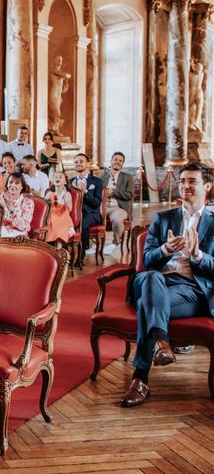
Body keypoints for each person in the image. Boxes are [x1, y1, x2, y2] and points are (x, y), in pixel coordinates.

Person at [121, 162, 214, 408]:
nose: (185, 186)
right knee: (151, 278)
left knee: (146, 306)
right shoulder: (163, 219)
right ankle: (161, 343)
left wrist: (197, 256)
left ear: (207, 186)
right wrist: (164, 249)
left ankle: (141, 378)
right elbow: (146, 261)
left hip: (191, 290)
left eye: (192, 181)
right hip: (155, 280)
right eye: (182, 181)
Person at [71, 153, 103, 265]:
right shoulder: (70, 182)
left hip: (91, 213)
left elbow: (96, 203)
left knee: (82, 225)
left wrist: (85, 192)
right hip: (73, 212)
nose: (78, 164)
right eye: (76, 162)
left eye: (81, 161)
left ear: (87, 164)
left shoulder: (96, 181)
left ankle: (81, 255)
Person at [101, 152, 134, 255]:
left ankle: (114, 243)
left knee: (117, 219)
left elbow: (129, 195)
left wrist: (113, 192)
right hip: (103, 206)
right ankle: (93, 244)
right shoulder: (103, 177)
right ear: (111, 161)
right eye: (115, 159)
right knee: (89, 216)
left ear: (123, 163)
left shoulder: (127, 178)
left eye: (120, 161)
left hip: (118, 207)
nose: (117, 162)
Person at [0, 173, 34, 238]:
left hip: (19, 238)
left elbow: (24, 227)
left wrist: (10, 208)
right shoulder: (1, 199)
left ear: (22, 186)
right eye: (10, 182)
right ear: (7, 185)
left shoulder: (27, 202)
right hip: (1, 235)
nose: (12, 185)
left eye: (17, 183)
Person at [44, 171, 75, 247]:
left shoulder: (67, 194)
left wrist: (66, 201)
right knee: (48, 225)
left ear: (65, 182)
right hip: (51, 216)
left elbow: (70, 209)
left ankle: (59, 250)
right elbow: (44, 207)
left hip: (62, 217)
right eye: (55, 177)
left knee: (60, 229)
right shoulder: (49, 193)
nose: (57, 178)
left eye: (60, 177)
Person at [48, 54, 71, 136]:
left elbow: (60, 88)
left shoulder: (59, 73)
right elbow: (66, 75)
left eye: (61, 60)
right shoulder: (54, 71)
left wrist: (64, 90)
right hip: (53, 95)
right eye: (58, 60)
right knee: (57, 114)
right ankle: (52, 129)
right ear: (54, 61)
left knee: (56, 116)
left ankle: (55, 131)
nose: (60, 61)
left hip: (58, 96)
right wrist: (66, 76)